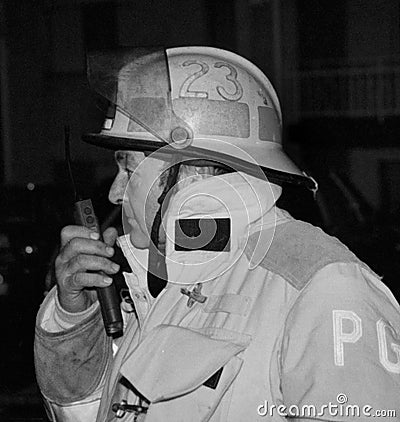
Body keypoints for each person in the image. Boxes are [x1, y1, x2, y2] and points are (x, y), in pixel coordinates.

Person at [34, 47, 400, 421]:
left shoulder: (325, 285)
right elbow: (92, 414)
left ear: (192, 170)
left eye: (129, 170)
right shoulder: (172, 279)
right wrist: (72, 318)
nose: (114, 193)